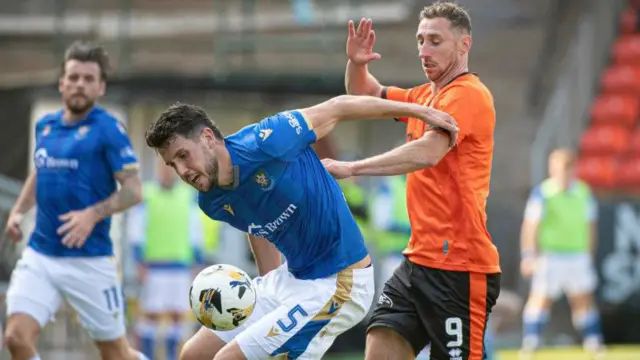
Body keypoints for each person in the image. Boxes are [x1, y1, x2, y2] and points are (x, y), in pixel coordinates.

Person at [144, 94, 459, 360]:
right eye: (173, 163)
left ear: (208, 138)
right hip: (291, 278)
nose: (182, 170)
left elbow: (338, 107)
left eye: (183, 155)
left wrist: (418, 111)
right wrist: (268, 303)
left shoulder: (268, 140)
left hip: (339, 281)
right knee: (193, 354)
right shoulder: (210, 201)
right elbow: (257, 226)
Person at [322, 3, 501, 359]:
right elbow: (366, 95)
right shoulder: (422, 96)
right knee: (381, 346)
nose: (423, 50)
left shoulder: (468, 95)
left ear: (464, 45)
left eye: (435, 40)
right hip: (417, 261)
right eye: (420, 40)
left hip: (460, 269)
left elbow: (428, 151)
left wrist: (353, 168)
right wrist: (357, 62)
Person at [2, 41, 147, 360]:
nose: (80, 84)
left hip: (90, 261)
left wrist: (91, 215)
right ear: (62, 83)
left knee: (115, 353)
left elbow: (134, 190)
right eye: (74, 77)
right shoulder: (47, 125)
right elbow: (39, 172)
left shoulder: (108, 129)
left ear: (101, 87)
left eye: (88, 78)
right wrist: (17, 211)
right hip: (41, 255)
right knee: (15, 338)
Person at [519, 148, 604, 358]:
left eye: (565, 169)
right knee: (540, 298)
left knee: (582, 299)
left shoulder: (584, 192)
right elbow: (530, 226)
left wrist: (589, 254)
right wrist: (529, 256)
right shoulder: (543, 193)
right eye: (556, 169)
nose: (561, 174)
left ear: (574, 170)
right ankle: (531, 342)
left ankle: (593, 341)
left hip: (577, 256)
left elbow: (591, 225)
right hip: (551, 256)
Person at [127, 160, 205, 360]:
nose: (167, 174)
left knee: (177, 314)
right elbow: (136, 229)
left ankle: (172, 356)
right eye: (164, 170)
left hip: (180, 265)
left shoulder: (188, 196)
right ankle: (147, 356)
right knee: (151, 314)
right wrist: (139, 260)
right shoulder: (147, 194)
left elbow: (195, 230)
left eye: (171, 171)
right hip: (155, 266)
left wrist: (197, 260)